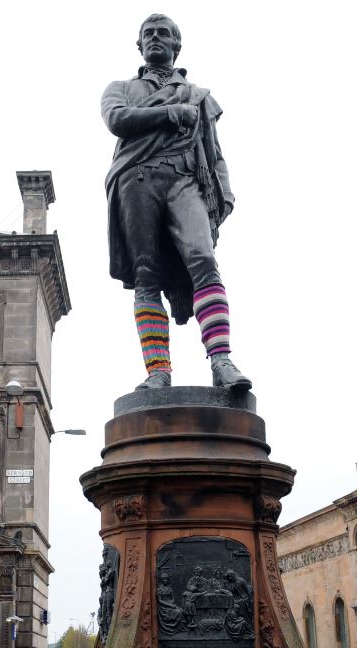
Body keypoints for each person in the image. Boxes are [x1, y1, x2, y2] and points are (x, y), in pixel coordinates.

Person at [102, 14, 251, 392]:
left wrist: (224, 194)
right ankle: (158, 371)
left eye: (163, 33)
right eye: (148, 34)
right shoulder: (119, 88)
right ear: (139, 45)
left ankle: (221, 361)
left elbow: (214, 152)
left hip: (186, 181)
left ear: (176, 45)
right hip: (137, 179)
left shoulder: (199, 95)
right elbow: (117, 120)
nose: (155, 38)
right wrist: (170, 113)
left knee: (203, 259)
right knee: (146, 275)